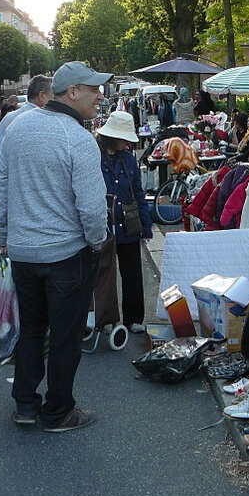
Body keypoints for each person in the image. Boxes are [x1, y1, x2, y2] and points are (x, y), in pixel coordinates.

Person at [0, 60, 112, 433]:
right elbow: (92, 209)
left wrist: (5, 238)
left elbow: (2, 190)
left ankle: (26, 404)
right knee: (64, 336)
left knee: (31, 330)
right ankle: (59, 411)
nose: (99, 95)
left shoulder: (17, 127)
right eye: (92, 89)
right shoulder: (79, 138)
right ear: (71, 92)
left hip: (24, 253)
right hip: (66, 256)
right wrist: (96, 244)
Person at [95, 111, 153, 333]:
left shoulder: (128, 159)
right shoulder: (94, 156)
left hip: (128, 224)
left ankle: (133, 319)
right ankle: (103, 319)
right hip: (103, 225)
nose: (128, 142)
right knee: (102, 276)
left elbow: (139, 193)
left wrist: (146, 228)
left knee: (132, 274)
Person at [0, 74, 54, 203]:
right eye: (53, 96)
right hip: (24, 198)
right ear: (42, 96)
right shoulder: (38, 120)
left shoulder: (9, 118)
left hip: (10, 196)